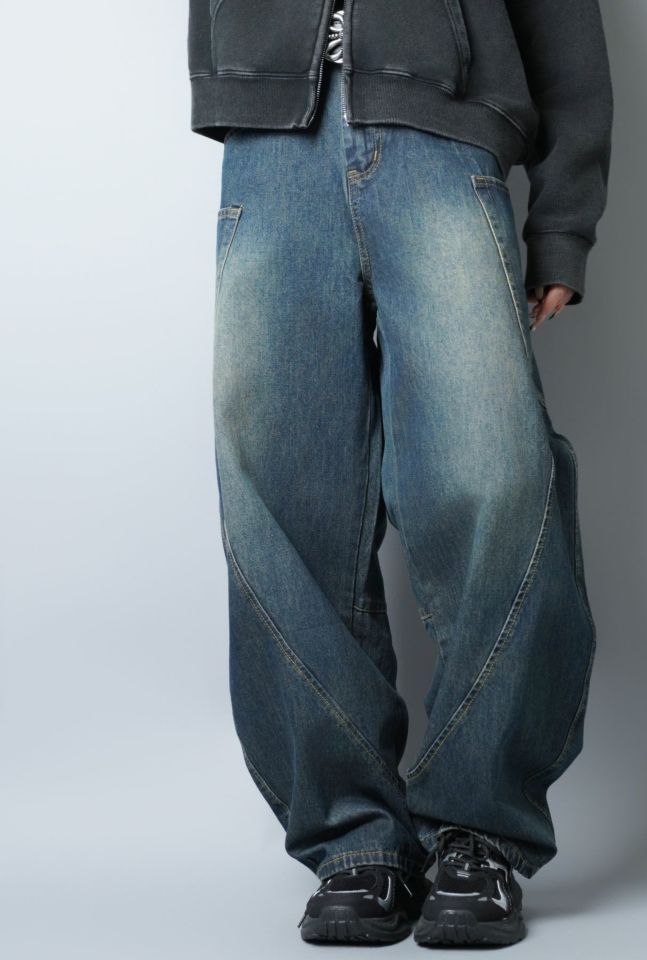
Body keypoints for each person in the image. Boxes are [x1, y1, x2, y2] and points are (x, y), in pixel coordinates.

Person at [187, 0, 613, 947]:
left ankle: (480, 830)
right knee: (282, 498)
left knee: (497, 481)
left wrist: (564, 222)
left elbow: (566, 25)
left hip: (446, 141)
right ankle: (354, 841)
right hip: (272, 150)